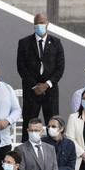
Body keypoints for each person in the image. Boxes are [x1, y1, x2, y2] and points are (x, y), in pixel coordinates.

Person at [16, 13, 65, 143]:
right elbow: (21, 67)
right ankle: (25, 156)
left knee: (53, 124)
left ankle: (54, 153)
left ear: (47, 24)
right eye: (37, 23)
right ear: (33, 25)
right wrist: (35, 86)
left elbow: (60, 68)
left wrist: (47, 84)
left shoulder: (56, 42)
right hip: (31, 91)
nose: (40, 26)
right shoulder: (24, 42)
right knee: (29, 123)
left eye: (42, 23)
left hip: (50, 91)